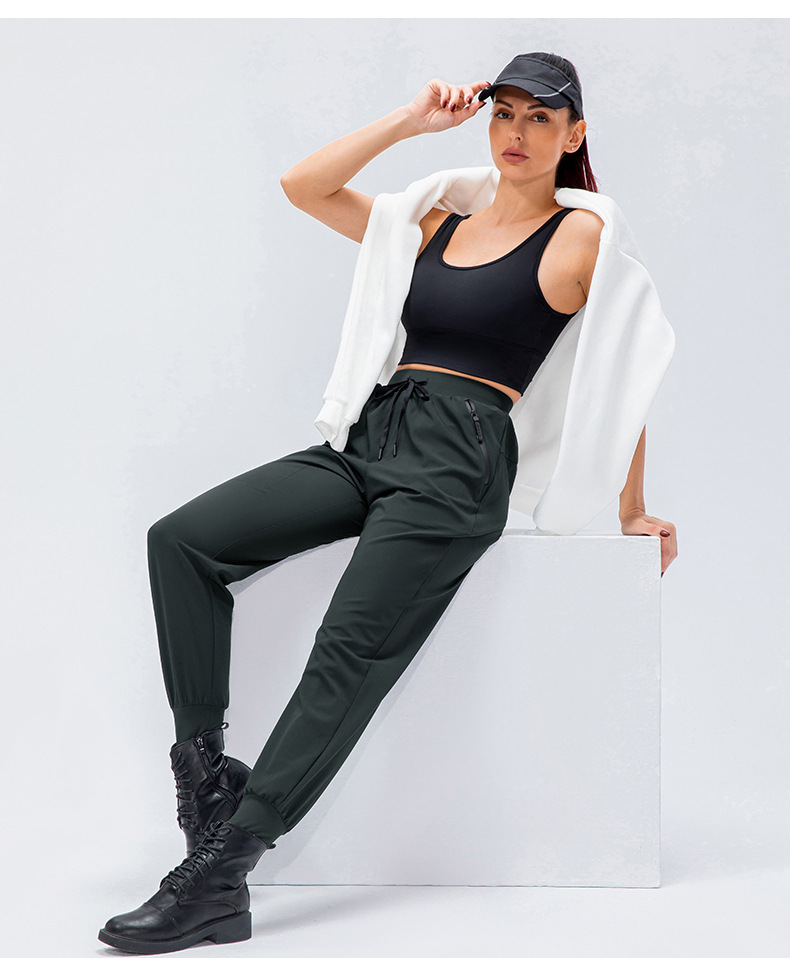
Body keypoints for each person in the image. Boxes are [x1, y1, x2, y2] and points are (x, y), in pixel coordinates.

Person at [98, 52, 678, 954]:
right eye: (504, 113)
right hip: (373, 431)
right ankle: (205, 779)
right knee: (183, 540)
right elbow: (304, 186)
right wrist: (411, 122)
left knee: (348, 650)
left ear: (575, 134)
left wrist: (632, 509)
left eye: (539, 117)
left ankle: (220, 876)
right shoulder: (435, 221)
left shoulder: (581, 239)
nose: (517, 132)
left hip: (460, 459)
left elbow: (623, 376)